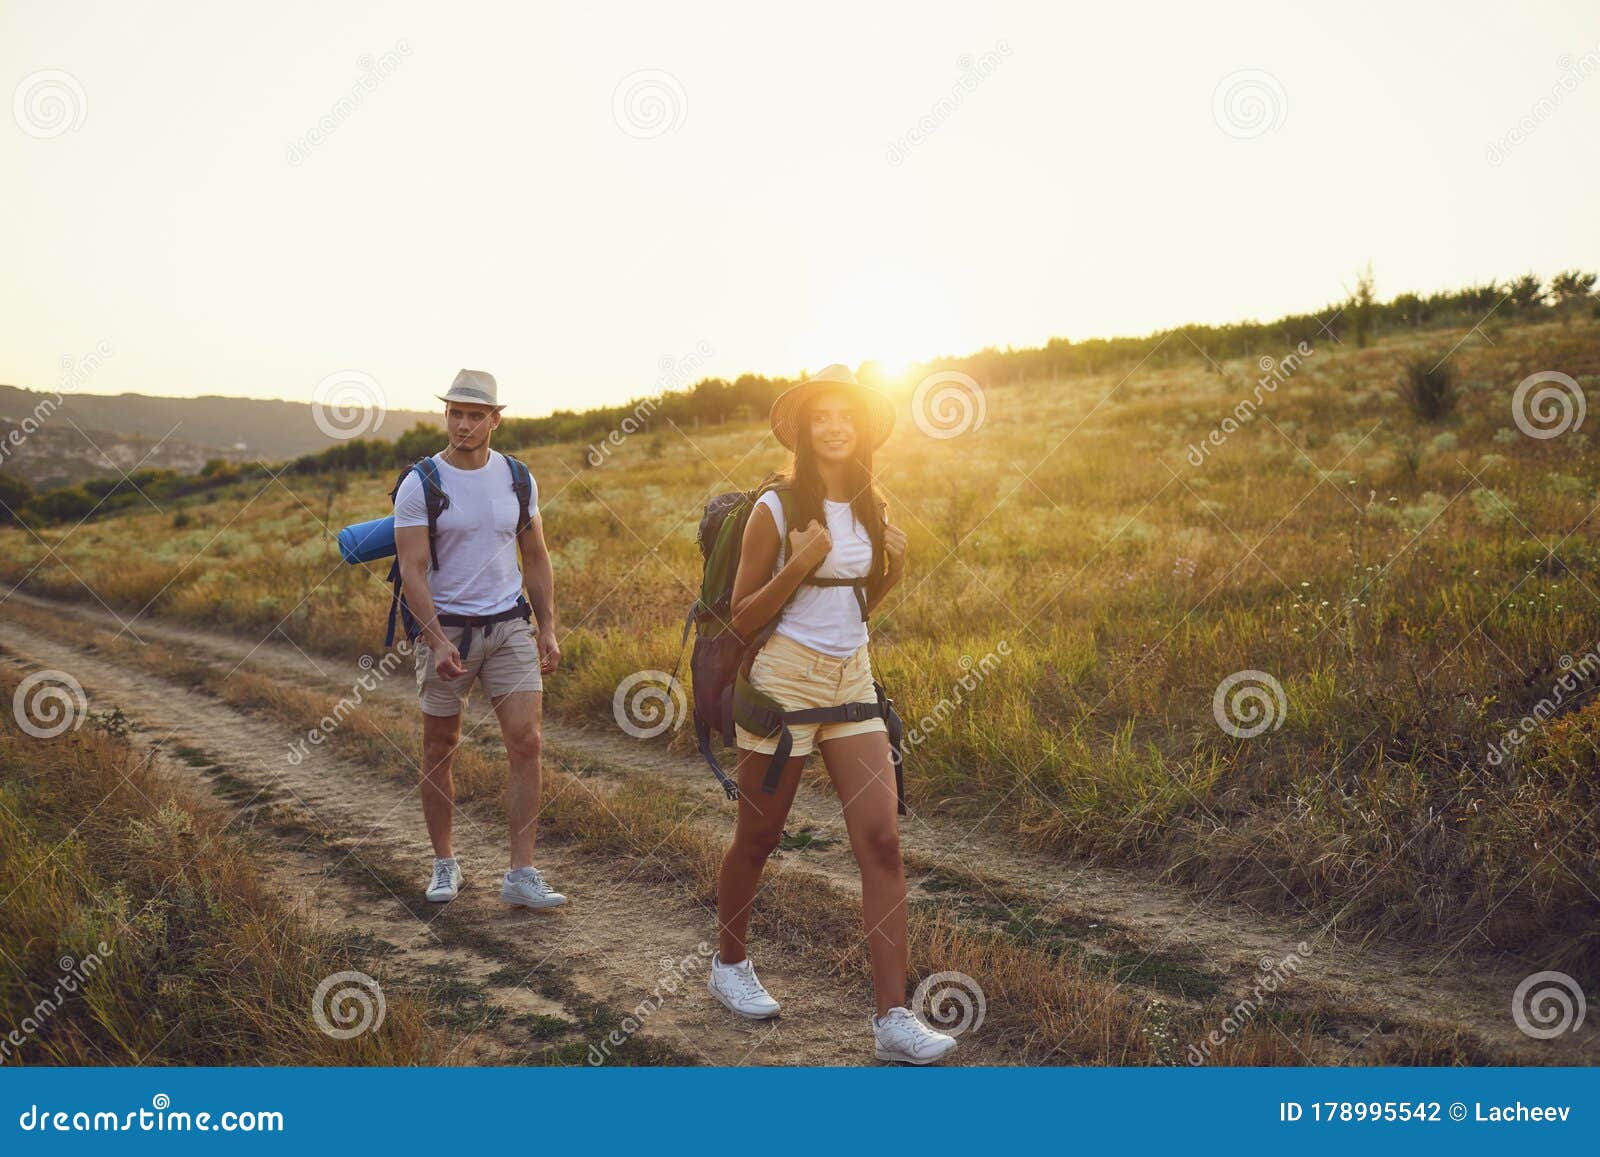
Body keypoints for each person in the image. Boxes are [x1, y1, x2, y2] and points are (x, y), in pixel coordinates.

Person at [707, 364, 957, 1064]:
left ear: (863, 429)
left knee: (880, 843)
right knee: (757, 839)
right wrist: (800, 560)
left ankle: (892, 1019)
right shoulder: (777, 509)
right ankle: (729, 965)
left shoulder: (875, 506)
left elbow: (852, 608)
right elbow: (742, 615)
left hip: (853, 681)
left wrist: (894, 571)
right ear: (807, 428)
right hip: (784, 686)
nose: (837, 425)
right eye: (824, 416)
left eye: (849, 415)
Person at [393, 369, 565, 909]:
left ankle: (521, 873)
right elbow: (412, 569)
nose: (463, 424)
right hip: (448, 633)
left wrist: (549, 626)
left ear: (495, 419)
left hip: (510, 625)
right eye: (455, 413)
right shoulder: (420, 483)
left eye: (474, 415)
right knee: (440, 747)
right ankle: (445, 863)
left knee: (528, 743)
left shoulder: (517, 477)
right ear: (446, 415)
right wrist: (436, 640)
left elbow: (535, 556)